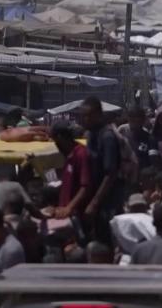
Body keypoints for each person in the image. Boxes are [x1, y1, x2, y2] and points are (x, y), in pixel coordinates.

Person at [81, 96, 122, 247]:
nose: (85, 119)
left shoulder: (107, 137)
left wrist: (94, 203)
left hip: (107, 201)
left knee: (106, 243)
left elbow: (110, 175)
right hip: (93, 198)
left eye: (89, 116)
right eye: (83, 116)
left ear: (98, 115)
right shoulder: (90, 135)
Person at [50, 120, 90, 220]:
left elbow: (85, 187)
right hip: (64, 210)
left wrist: (69, 208)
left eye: (55, 140)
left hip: (76, 213)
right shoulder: (69, 155)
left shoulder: (81, 154)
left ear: (60, 138)